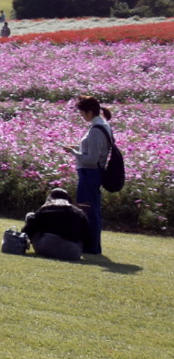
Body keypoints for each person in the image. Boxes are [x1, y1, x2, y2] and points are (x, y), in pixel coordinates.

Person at [68, 96, 114, 255]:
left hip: (90, 173)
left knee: (88, 211)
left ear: (89, 112)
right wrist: (79, 147)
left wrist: (74, 152)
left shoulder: (95, 129)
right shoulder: (103, 125)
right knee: (92, 210)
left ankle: (91, 246)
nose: (82, 117)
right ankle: (91, 245)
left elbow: (91, 159)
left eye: (82, 113)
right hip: (94, 172)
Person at [21, 188, 89, 261]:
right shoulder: (79, 213)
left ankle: (22, 245)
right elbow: (87, 236)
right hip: (72, 252)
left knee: (30, 216)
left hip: (45, 248)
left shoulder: (45, 209)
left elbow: (29, 228)